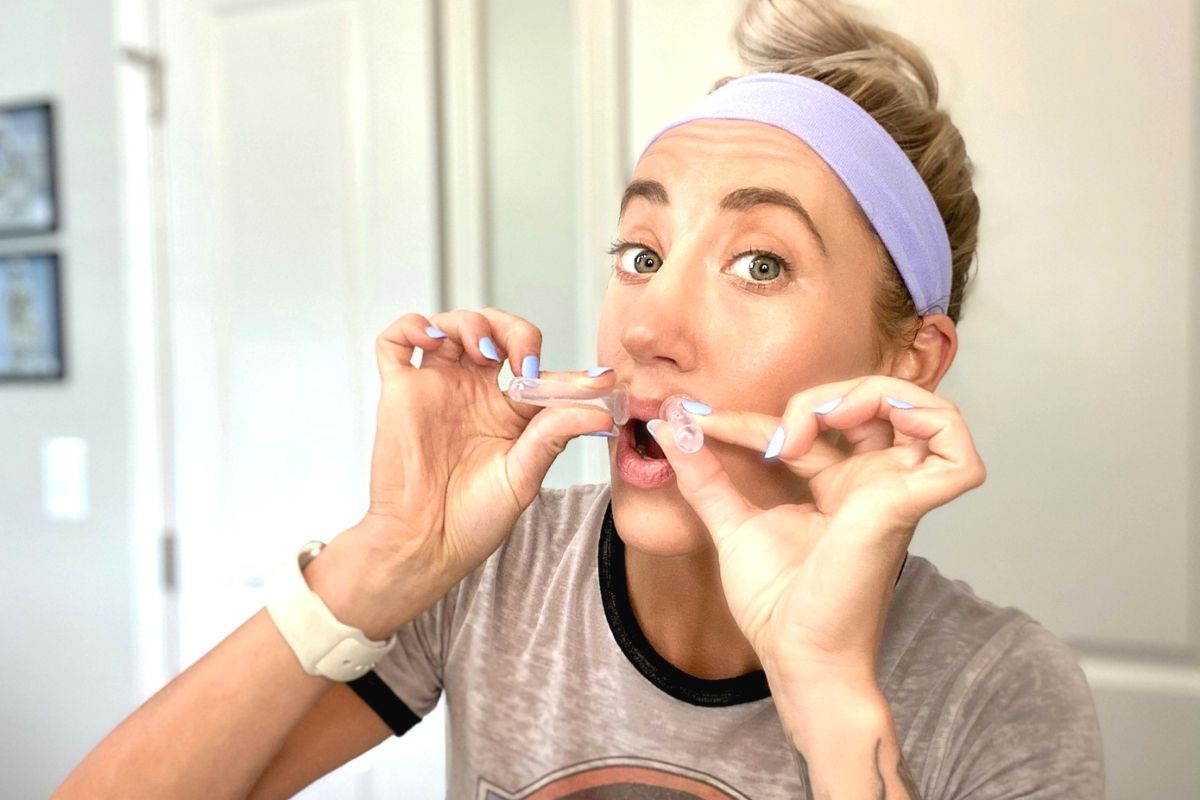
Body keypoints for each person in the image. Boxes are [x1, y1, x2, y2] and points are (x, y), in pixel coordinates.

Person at [55, 0, 1105, 797]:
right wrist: (384, 555)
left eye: (760, 265)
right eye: (641, 251)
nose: (646, 326)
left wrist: (829, 690)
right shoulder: (497, 573)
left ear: (912, 358)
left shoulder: (998, 689)